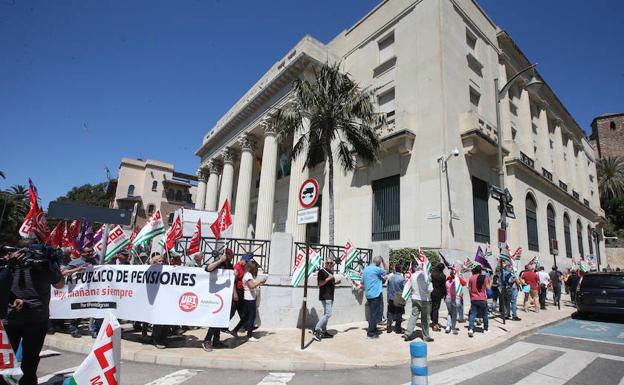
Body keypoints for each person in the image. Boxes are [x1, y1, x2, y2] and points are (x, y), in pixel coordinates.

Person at [3, 238, 65, 385]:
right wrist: (55, 265)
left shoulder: (8, 264)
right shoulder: (45, 265)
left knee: (6, 359)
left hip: (10, 318)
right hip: (36, 319)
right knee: (30, 358)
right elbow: (60, 284)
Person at [202, 248, 235, 352]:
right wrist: (220, 260)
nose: (231, 256)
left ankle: (216, 340)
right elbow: (208, 269)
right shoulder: (218, 263)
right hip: (214, 296)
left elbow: (231, 279)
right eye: (228, 254)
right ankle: (207, 340)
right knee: (215, 319)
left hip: (224, 297)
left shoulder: (230, 265)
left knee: (220, 319)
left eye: (231, 254)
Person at [232, 260, 266, 341]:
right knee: (252, 316)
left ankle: (235, 330)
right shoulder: (248, 276)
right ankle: (249, 335)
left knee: (245, 317)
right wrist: (260, 281)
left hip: (249, 298)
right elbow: (251, 286)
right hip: (249, 298)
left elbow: (252, 285)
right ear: (251, 268)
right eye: (255, 267)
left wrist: (260, 283)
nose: (256, 269)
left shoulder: (248, 275)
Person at [403, 258, 434, 342]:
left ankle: (408, 333)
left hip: (415, 298)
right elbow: (430, 289)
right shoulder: (426, 275)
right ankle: (426, 336)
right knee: (425, 319)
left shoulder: (412, 275)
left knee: (413, 316)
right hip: (425, 299)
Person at [313, 259, 341, 341]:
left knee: (326, 314)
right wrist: (329, 278)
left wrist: (336, 283)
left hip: (330, 296)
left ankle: (324, 331)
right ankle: (317, 329)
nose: (329, 264)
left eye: (331, 263)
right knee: (328, 314)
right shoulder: (322, 271)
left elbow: (329, 284)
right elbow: (319, 284)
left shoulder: (331, 272)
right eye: (327, 263)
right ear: (325, 263)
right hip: (325, 296)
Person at [362, 256, 387, 338]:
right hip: (375, 294)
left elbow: (362, 281)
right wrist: (383, 261)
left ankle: (374, 328)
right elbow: (387, 270)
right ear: (379, 263)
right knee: (374, 314)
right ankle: (370, 332)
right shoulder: (377, 269)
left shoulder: (366, 269)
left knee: (372, 313)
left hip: (368, 294)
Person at [467, 265, 491, 337]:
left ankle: (471, 329)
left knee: (473, 314)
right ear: (481, 271)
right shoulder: (485, 278)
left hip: (474, 298)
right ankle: (485, 329)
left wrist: (471, 297)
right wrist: (491, 281)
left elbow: (470, 289)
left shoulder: (471, 278)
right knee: (485, 315)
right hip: (482, 298)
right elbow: (488, 288)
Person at [386, 264, 406, 334]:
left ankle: (388, 326)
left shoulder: (391, 278)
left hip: (391, 297)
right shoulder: (402, 279)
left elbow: (388, 289)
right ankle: (398, 328)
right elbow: (404, 289)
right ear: (400, 269)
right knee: (399, 313)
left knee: (390, 312)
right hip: (399, 298)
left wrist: (388, 298)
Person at [444, 268, 463, 335]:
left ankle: (448, 326)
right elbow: (464, 283)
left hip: (448, 298)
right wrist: (460, 276)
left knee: (449, 313)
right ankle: (453, 328)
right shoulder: (456, 282)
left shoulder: (447, 282)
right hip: (455, 299)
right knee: (454, 314)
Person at [429, 263, 446, 332]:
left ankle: (433, 319)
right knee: (436, 308)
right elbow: (443, 286)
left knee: (432, 307)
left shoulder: (433, 274)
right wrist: (445, 294)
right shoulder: (443, 276)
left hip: (432, 292)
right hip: (439, 293)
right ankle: (435, 323)